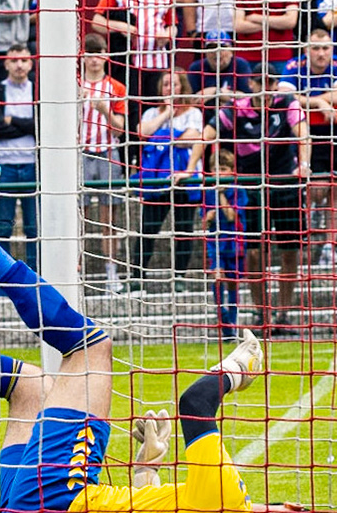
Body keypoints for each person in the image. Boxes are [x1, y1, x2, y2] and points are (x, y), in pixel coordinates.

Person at [0, 172, 337, 513]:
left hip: (57, 505)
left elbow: (195, 403)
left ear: (293, 506)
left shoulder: (230, 507)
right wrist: (147, 464)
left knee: (91, 346)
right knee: (30, 386)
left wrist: (240, 367)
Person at [279, 26, 337, 272]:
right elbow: (284, 97)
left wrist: (308, 100)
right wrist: (319, 101)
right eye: (316, 48)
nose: (321, 53)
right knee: (313, 189)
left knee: (336, 191)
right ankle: (308, 241)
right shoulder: (293, 66)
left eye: (325, 48)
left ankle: (330, 247)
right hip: (304, 133)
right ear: (306, 50)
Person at [131, 70, 209, 290]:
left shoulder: (193, 112)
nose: (170, 89)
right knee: (148, 228)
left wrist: (162, 137)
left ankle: (179, 277)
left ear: (182, 86)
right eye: (166, 84)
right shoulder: (151, 113)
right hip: (156, 179)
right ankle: (137, 276)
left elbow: (193, 137)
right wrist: (167, 114)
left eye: (174, 84)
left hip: (184, 178)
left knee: (184, 229)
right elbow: (142, 132)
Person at [253, 63, 311, 335]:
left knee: (289, 251)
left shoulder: (288, 103)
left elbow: (304, 135)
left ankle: (284, 314)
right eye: (260, 81)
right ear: (251, 84)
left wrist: (305, 165)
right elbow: (211, 135)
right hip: (253, 187)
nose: (266, 87)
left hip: (286, 186)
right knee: (254, 253)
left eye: (270, 82)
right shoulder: (238, 109)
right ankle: (261, 314)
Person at [92, 0, 175, 111]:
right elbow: (96, 22)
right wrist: (120, 27)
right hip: (127, 62)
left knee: (155, 107)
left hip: (157, 62)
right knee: (130, 108)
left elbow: (172, 25)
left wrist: (167, 35)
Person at [78, 35, 129, 295]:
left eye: (99, 53)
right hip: (80, 152)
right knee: (79, 216)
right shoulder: (74, 84)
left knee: (109, 218)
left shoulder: (116, 87)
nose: (94, 59)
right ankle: (76, 270)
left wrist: (104, 111)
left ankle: (112, 273)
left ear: (106, 56)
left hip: (108, 152)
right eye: (90, 53)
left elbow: (120, 129)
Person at [0, 43, 39, 270]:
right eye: (14, 60)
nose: (19, 65)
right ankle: (4, 279)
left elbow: (41, 126)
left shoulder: (38, 89)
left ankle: (36, 276)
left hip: (32, 165)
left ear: (31, 63)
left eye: (24, 60)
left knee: (34, 228)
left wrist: (14, 120)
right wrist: (27, 126)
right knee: (2, 228)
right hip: (4, 166)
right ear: (6, 64)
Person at [193, 146, 251, 340]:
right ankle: (223, 318)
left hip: (235, 243)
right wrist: (208, 218)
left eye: (224, 169)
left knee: (233, 283)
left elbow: (232, 215)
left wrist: (221, 194)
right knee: (217, 278)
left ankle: (231, 325)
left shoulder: (238, 190)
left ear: (232, 171)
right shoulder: (207, 192)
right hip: (216, 243)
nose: (219, 173)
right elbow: (203, 221)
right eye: (216, 169)